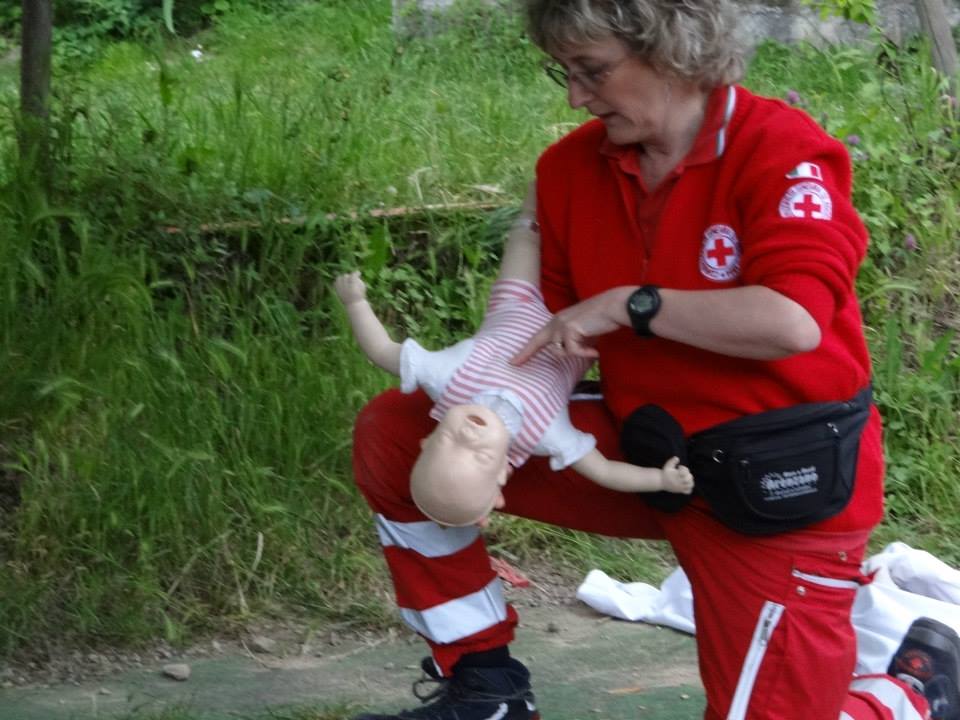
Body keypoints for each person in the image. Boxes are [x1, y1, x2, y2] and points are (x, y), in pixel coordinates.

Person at [348, 0, 960, 718]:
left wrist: (627, 303)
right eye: (564, 74)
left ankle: (911, 694)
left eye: (593, 70)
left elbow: (793, 321)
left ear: (674, 47)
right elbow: (537, 330)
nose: (576, 96)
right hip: (645, 451)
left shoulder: (780, 149)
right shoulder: (570, 169)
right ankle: (487, 691)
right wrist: (488, 414)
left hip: (777, 482)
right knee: (400, 433)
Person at [335, 184, 693, 527]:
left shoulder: (446, 379)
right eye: (480, 456)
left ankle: (541, 192)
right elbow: (604, 471)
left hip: (517, 302)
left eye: (448, 440)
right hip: (580, 334)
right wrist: (660, 479)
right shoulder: (543, 435)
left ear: (427, 440)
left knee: (525, 239)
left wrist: (356, 303)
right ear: (504, 471)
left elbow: (381, 351)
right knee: (620, 275)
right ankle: (659, 229)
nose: (468, 436)